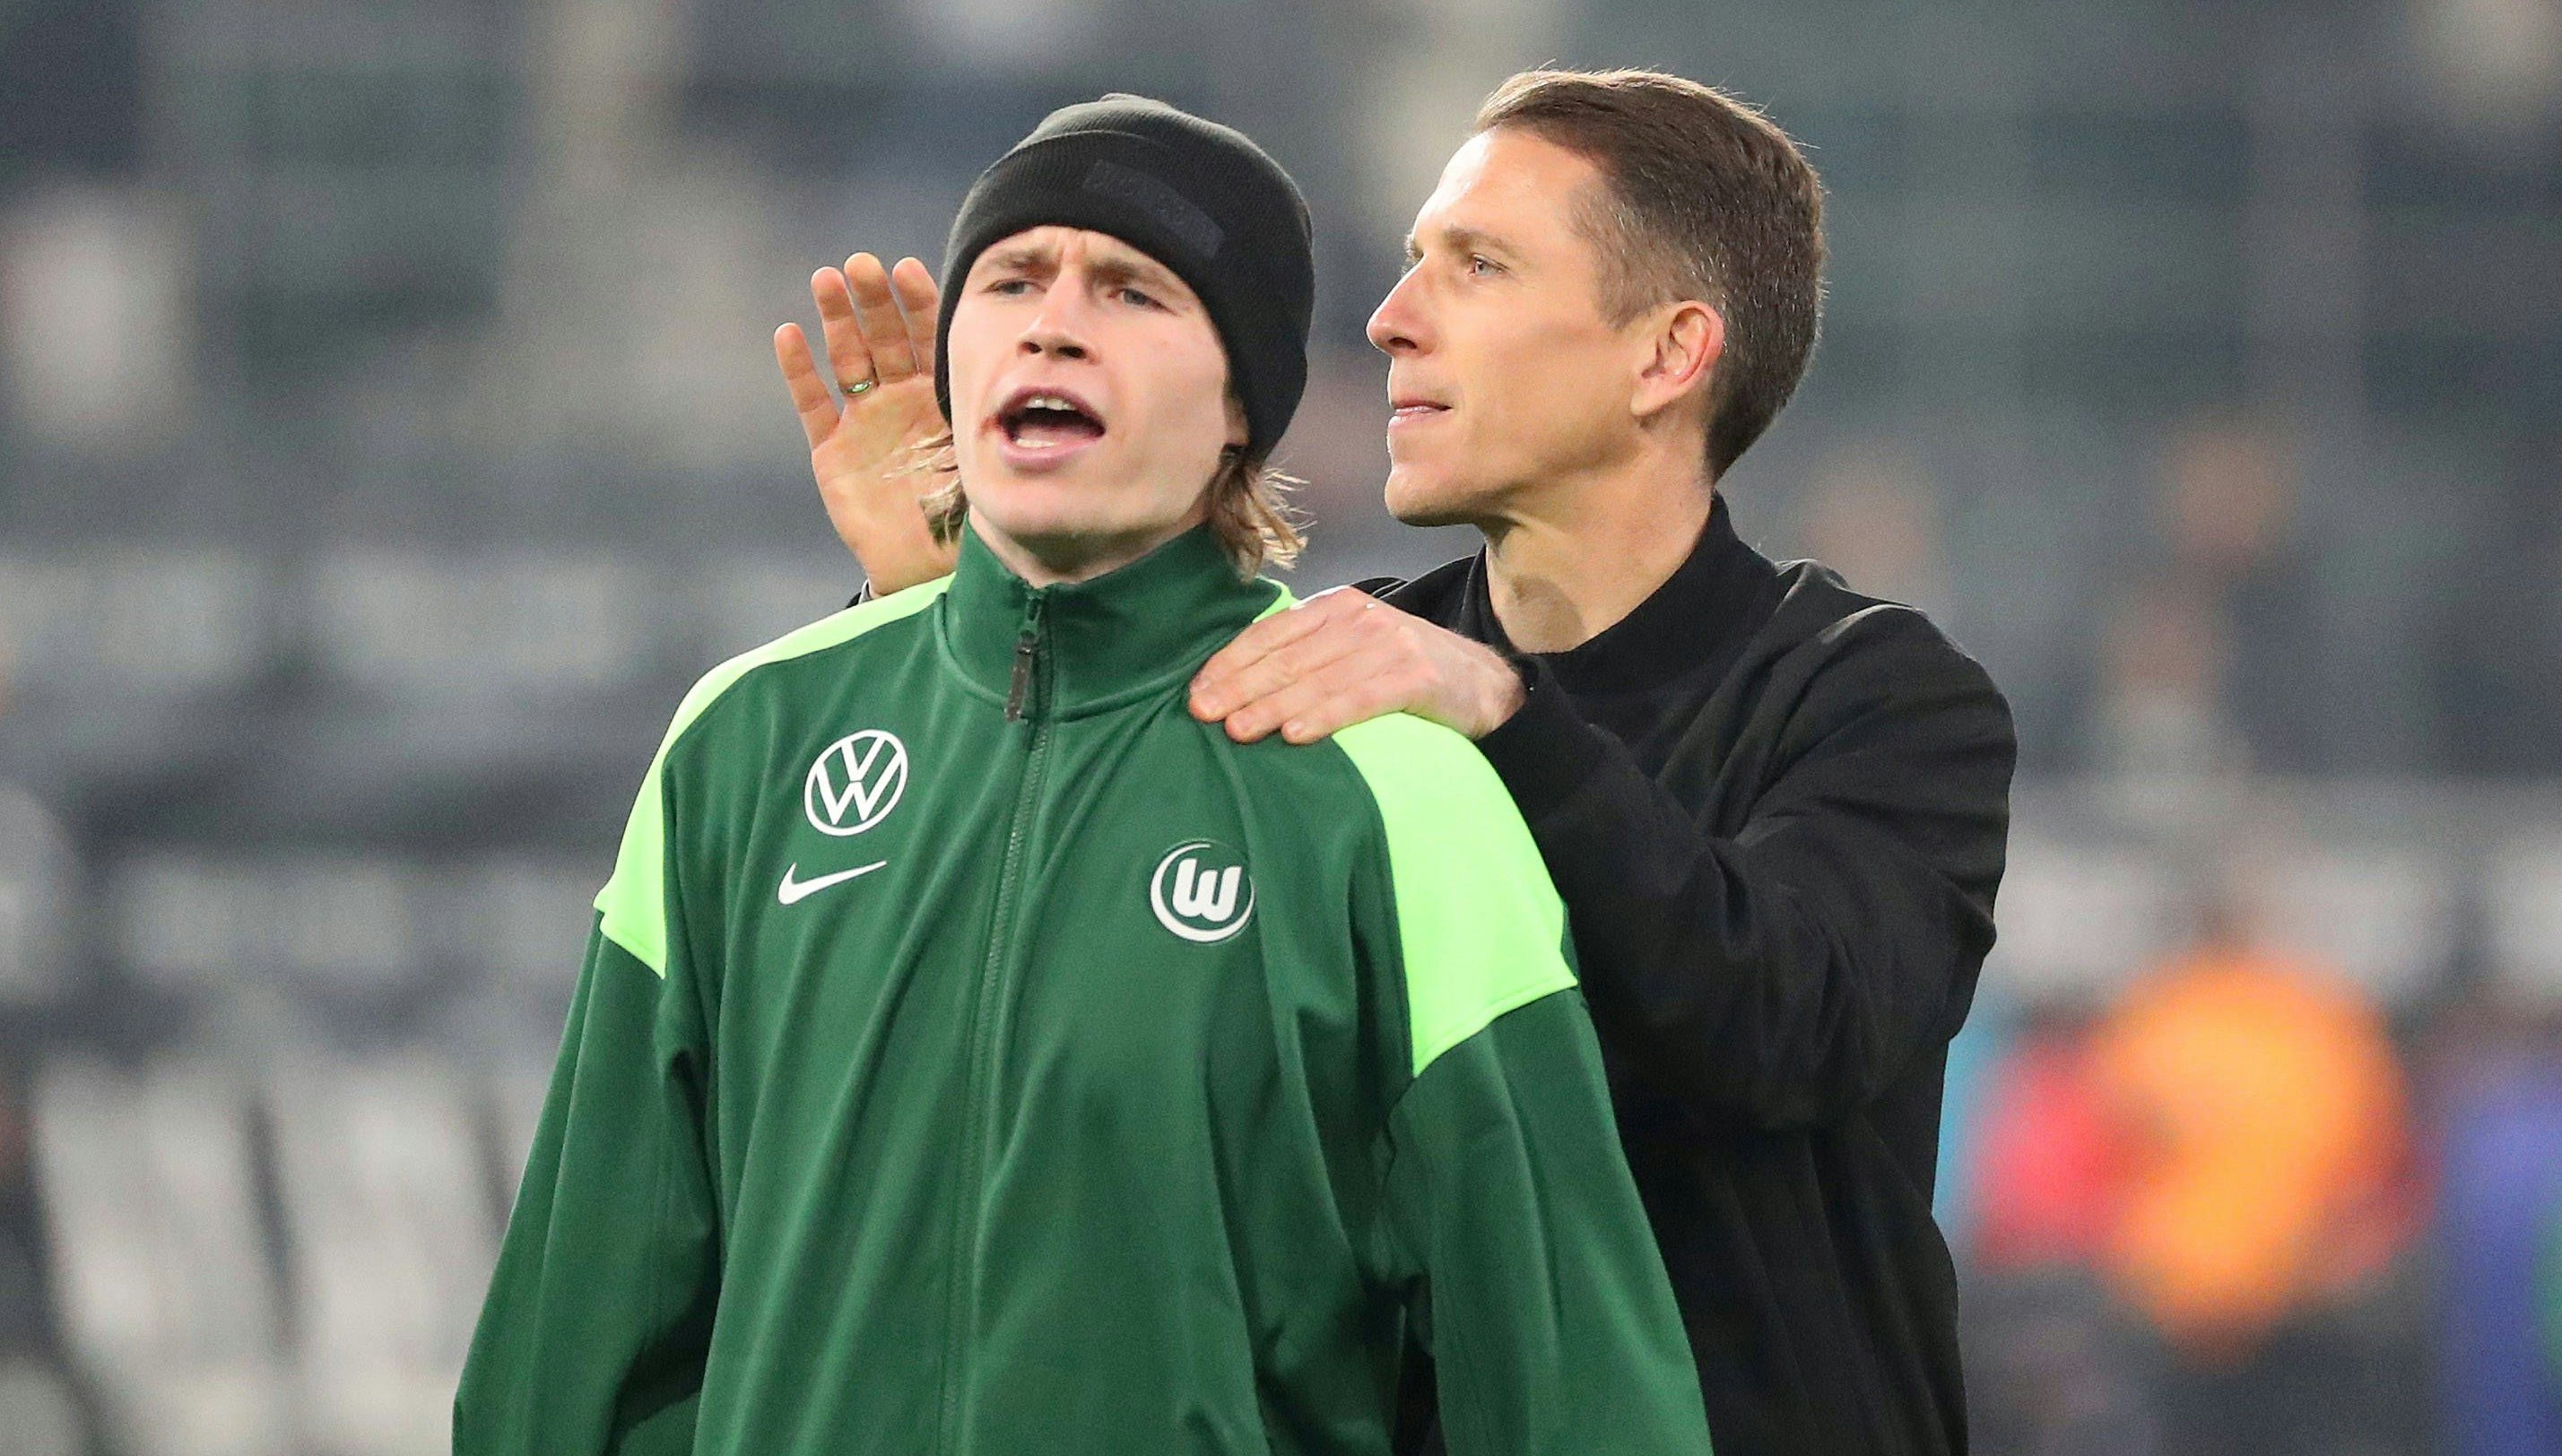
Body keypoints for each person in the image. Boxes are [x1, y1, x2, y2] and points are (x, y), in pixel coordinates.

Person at [456, 94, 1710, 1456]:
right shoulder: (748, 747)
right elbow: (565, 1363)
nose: (1052, 321)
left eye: (1130, 291)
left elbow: (1571, 1383)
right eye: (1010, 280)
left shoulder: (1394, 792)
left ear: (1241, 405)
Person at [806, 70, 2019, 1455]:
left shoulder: (1879, 697)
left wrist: (1510, 721)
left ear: (1667, 355)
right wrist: (949, 622)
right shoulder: (1349, 663)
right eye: (1409, 267)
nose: (1389, 321)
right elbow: (1025, 985)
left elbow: (1781, 1023)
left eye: (1478, 267)